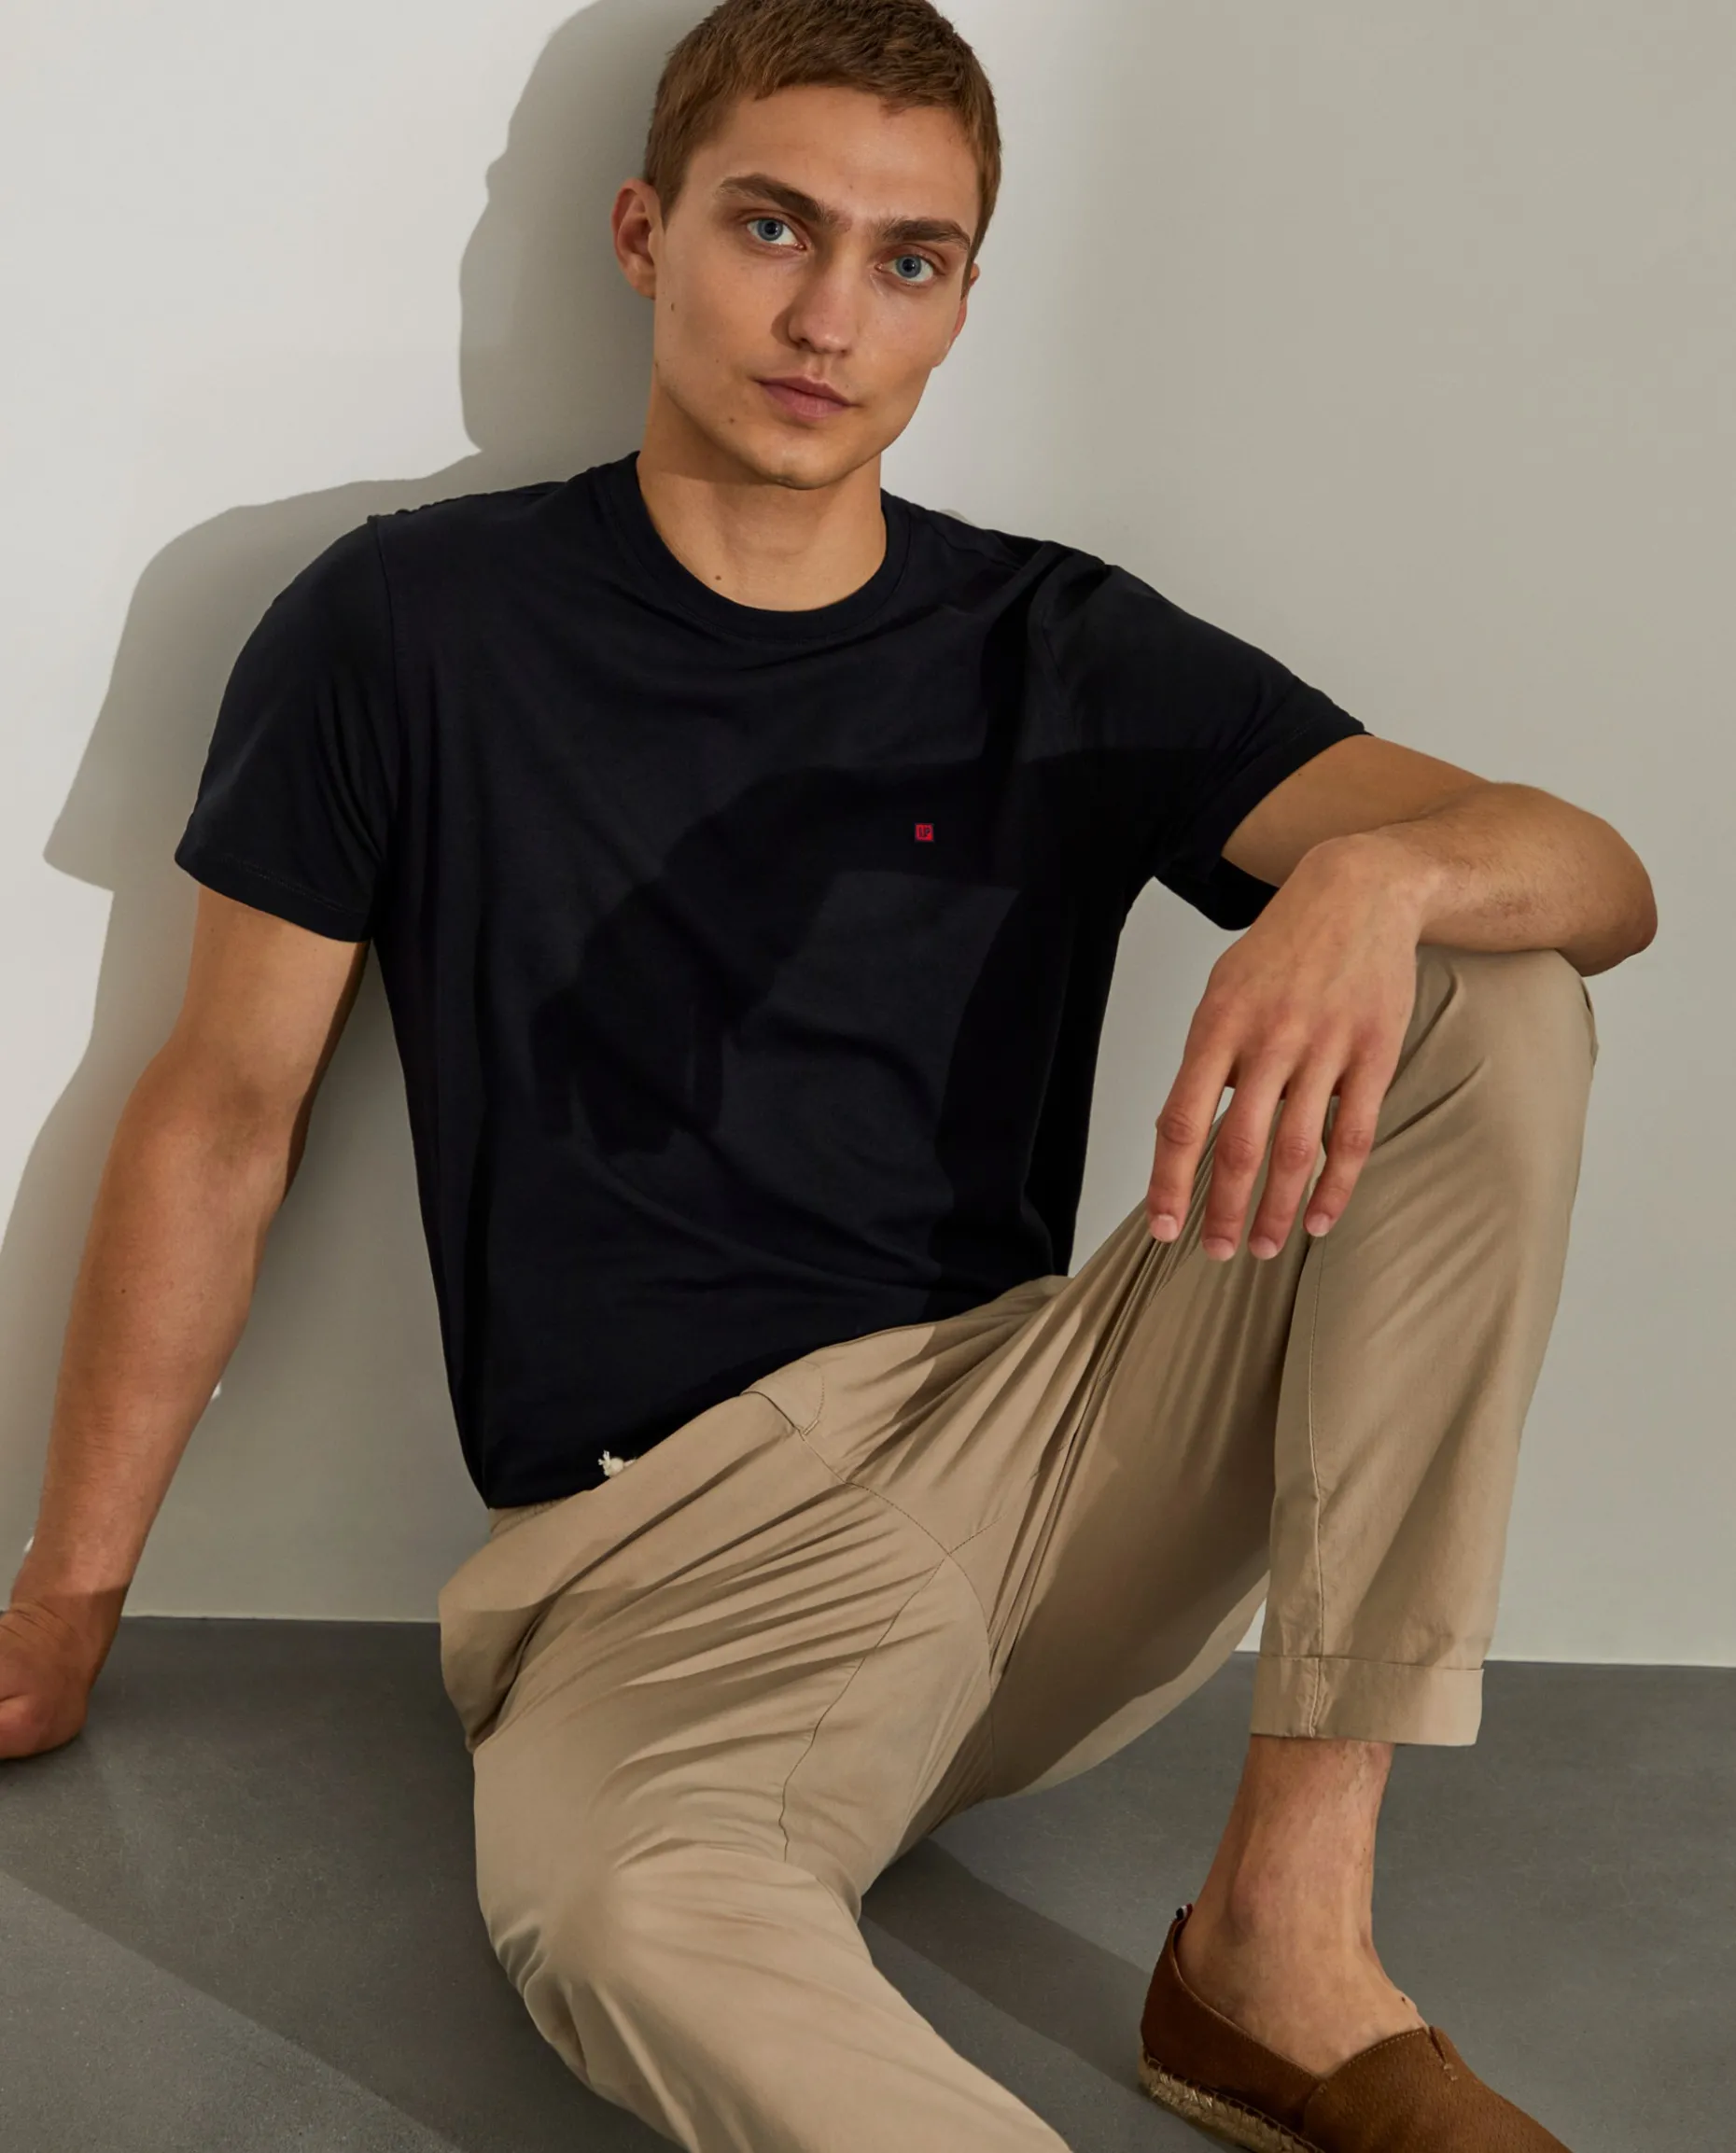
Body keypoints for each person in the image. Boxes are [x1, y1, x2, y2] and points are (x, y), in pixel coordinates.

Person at [0, 2, 1655, 2147]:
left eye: (907, 258)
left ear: (962, 300)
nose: (828, 316)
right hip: (656, 1568)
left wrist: (1380, 873)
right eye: (773, 226)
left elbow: (1596, 876)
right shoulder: (402, 627)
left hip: (1035, 1459)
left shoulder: (1053, 646)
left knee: (1491, 986)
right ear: (645, 233)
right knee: (625, 1926)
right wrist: (65, 1603)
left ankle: (1286, 1946)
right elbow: (227, 1113)